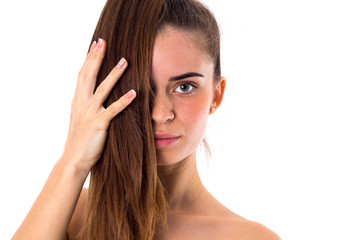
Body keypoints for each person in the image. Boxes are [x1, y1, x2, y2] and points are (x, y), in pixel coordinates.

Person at [12, 0, 280, 239]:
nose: (160, 114)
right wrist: (73, 162)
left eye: (185, 87)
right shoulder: (71, 215)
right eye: (139, 88)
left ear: (216, 96)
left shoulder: (248, 237)